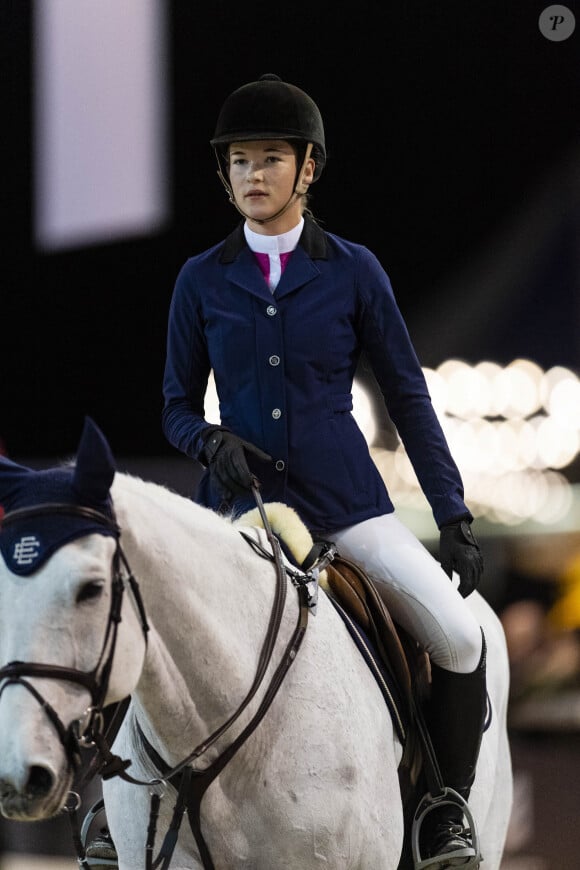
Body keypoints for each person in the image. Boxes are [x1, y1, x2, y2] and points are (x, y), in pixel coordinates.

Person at [162, 73, 486, 869]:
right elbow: (171, 405)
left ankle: (444, 807)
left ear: (308, 169)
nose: (252, 176)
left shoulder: (353, 269)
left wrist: (453, 514)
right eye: (239, 162)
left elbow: (408, 397)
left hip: (346, 505)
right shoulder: (201, 278)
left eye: (270, 159)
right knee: (155, 625)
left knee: (459, 635)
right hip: (243, 515)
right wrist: (207, 443)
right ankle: (120, 805)